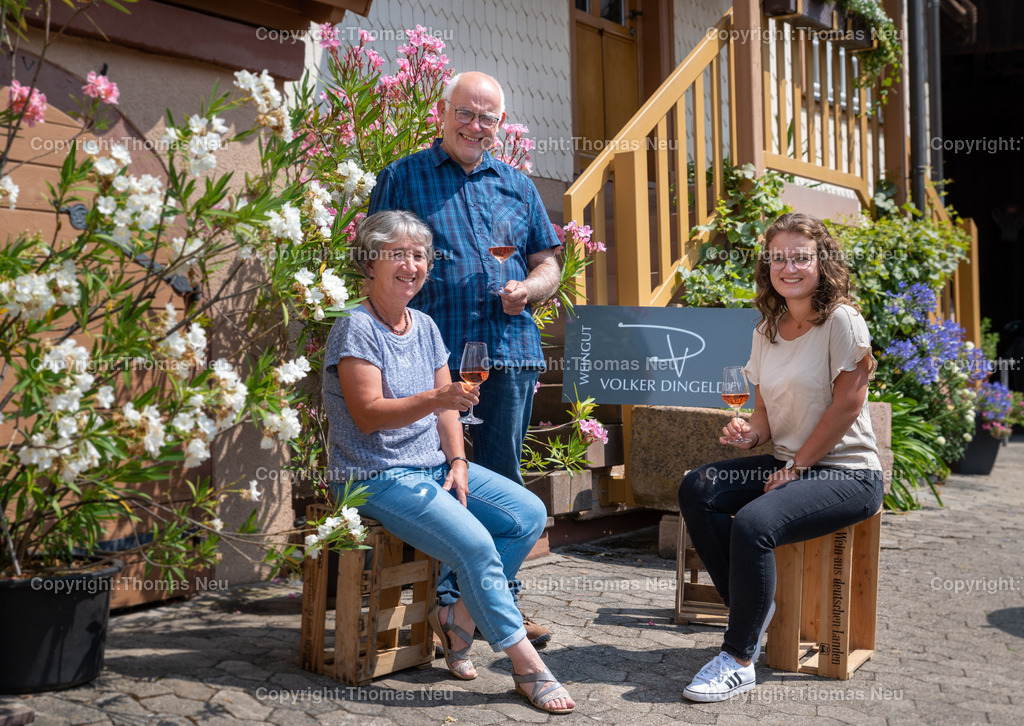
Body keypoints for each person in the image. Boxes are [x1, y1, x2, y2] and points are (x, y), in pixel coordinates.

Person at [322, 210, 574, 714]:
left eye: (419, 256)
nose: (412, 265)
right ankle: (526, 666)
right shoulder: (355, 327)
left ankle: (457, 619)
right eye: (399, 254)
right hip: (372, 475)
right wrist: (440, 399)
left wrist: (457, 459)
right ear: (370, 262)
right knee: (476, 544)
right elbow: (369, 416)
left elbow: (448, 409)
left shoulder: (427, 325)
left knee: (525, 515)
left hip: (431, 468)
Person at [368, 70, 561, 646]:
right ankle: (449, 603)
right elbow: (374, 258)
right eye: (466, 113)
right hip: (431, 356)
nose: (476, 126)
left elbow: (548, 263)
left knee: (503, 483)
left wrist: (529, 289)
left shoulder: (517, 185)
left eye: (488, 118)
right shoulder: (402, 176)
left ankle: (488, 604)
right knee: (437, 477)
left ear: (499, 126)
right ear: (442, 113)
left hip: (508, 352)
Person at [677, 212, 884, 703]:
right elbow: (765, 413)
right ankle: (751, 608)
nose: (788, 267)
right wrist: (749, 434)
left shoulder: (841, 320)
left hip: (847, 472)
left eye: (800, 257)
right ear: (766, 265)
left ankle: (738, 659)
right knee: (697, 488)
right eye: (778, 258)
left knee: (754, 522)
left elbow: (848, 403)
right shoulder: (767, 328)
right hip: (791, 464)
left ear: (821, 262)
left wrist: (795, 469)